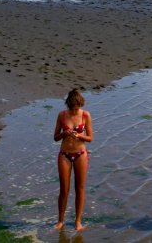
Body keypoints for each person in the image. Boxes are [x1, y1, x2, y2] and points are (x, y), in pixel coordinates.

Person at [54, 88, 93, 231]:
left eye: (77, 108)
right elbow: (55, 137)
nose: (75, 111)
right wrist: (65, 133)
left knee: (80, 188)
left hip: (80, 154)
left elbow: (90, 138)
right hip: (64, 154)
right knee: (64, 189)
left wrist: (79, 136)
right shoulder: (61, 115)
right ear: (69, 105)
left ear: (81, 105)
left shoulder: (86, 115)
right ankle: (60, 220)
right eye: (73, 108)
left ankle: (78, 221)